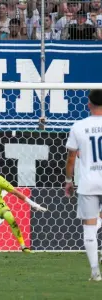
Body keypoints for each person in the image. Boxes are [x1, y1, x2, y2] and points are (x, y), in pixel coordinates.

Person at [65, 89, 102, 281]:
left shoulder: (79, 126)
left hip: (88, 183)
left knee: (89, 226)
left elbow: (71, 158)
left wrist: (69, 181)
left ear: (88, 104)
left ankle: (95, 271)